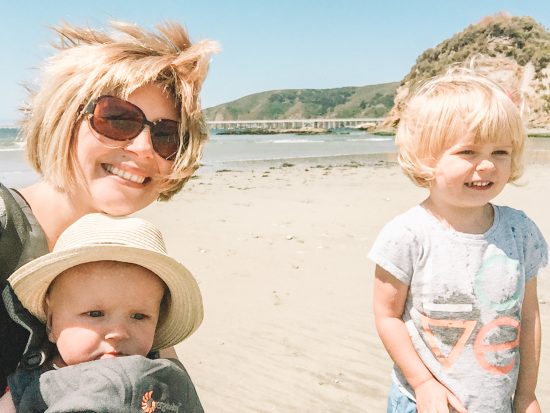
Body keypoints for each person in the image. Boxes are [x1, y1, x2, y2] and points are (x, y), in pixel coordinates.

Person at [0, 20, 218, 390]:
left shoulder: (132, 267)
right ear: (64, 119)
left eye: (166, 135)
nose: (144, 149)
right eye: (118, 120)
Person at [368, 70, 548, 413]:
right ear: (426, 157)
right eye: (467, 151)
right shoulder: (407, 235)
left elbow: (528, 316)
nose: (486, 165)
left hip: (500, 403)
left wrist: (526, 395)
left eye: (500, 152)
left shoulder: (520, 231)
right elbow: (386, 316)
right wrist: (422, 382)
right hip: (424, 403)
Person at [0, 213, 204, 412]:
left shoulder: (162, 375)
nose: (119, 332)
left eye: (139, 316)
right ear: (51, 323)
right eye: (95, 314)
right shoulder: (32, 387)